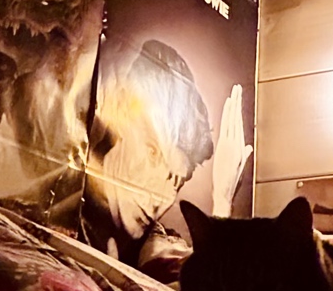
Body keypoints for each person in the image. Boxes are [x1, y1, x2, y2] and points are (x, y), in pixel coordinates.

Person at [38, 39, 251, 267]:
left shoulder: (155, 249)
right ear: (120, 109)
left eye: (175, 180)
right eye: (152, 153)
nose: (158, 197)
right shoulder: (46, 203)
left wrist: (223, 200)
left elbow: (203, 283)